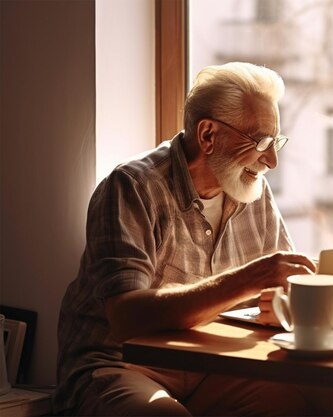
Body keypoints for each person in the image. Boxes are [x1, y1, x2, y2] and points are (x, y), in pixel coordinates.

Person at [53, 62, 318, 416]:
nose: (271, 160)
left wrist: (285, 299)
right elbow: (126, 317)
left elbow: (280, 282)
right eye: (261, 142)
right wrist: (246, 280)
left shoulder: (253, 189)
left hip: (211, 366)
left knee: (302, 398)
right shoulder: (131, 187)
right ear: (208, 135)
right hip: (122, 363)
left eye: (276, 141)